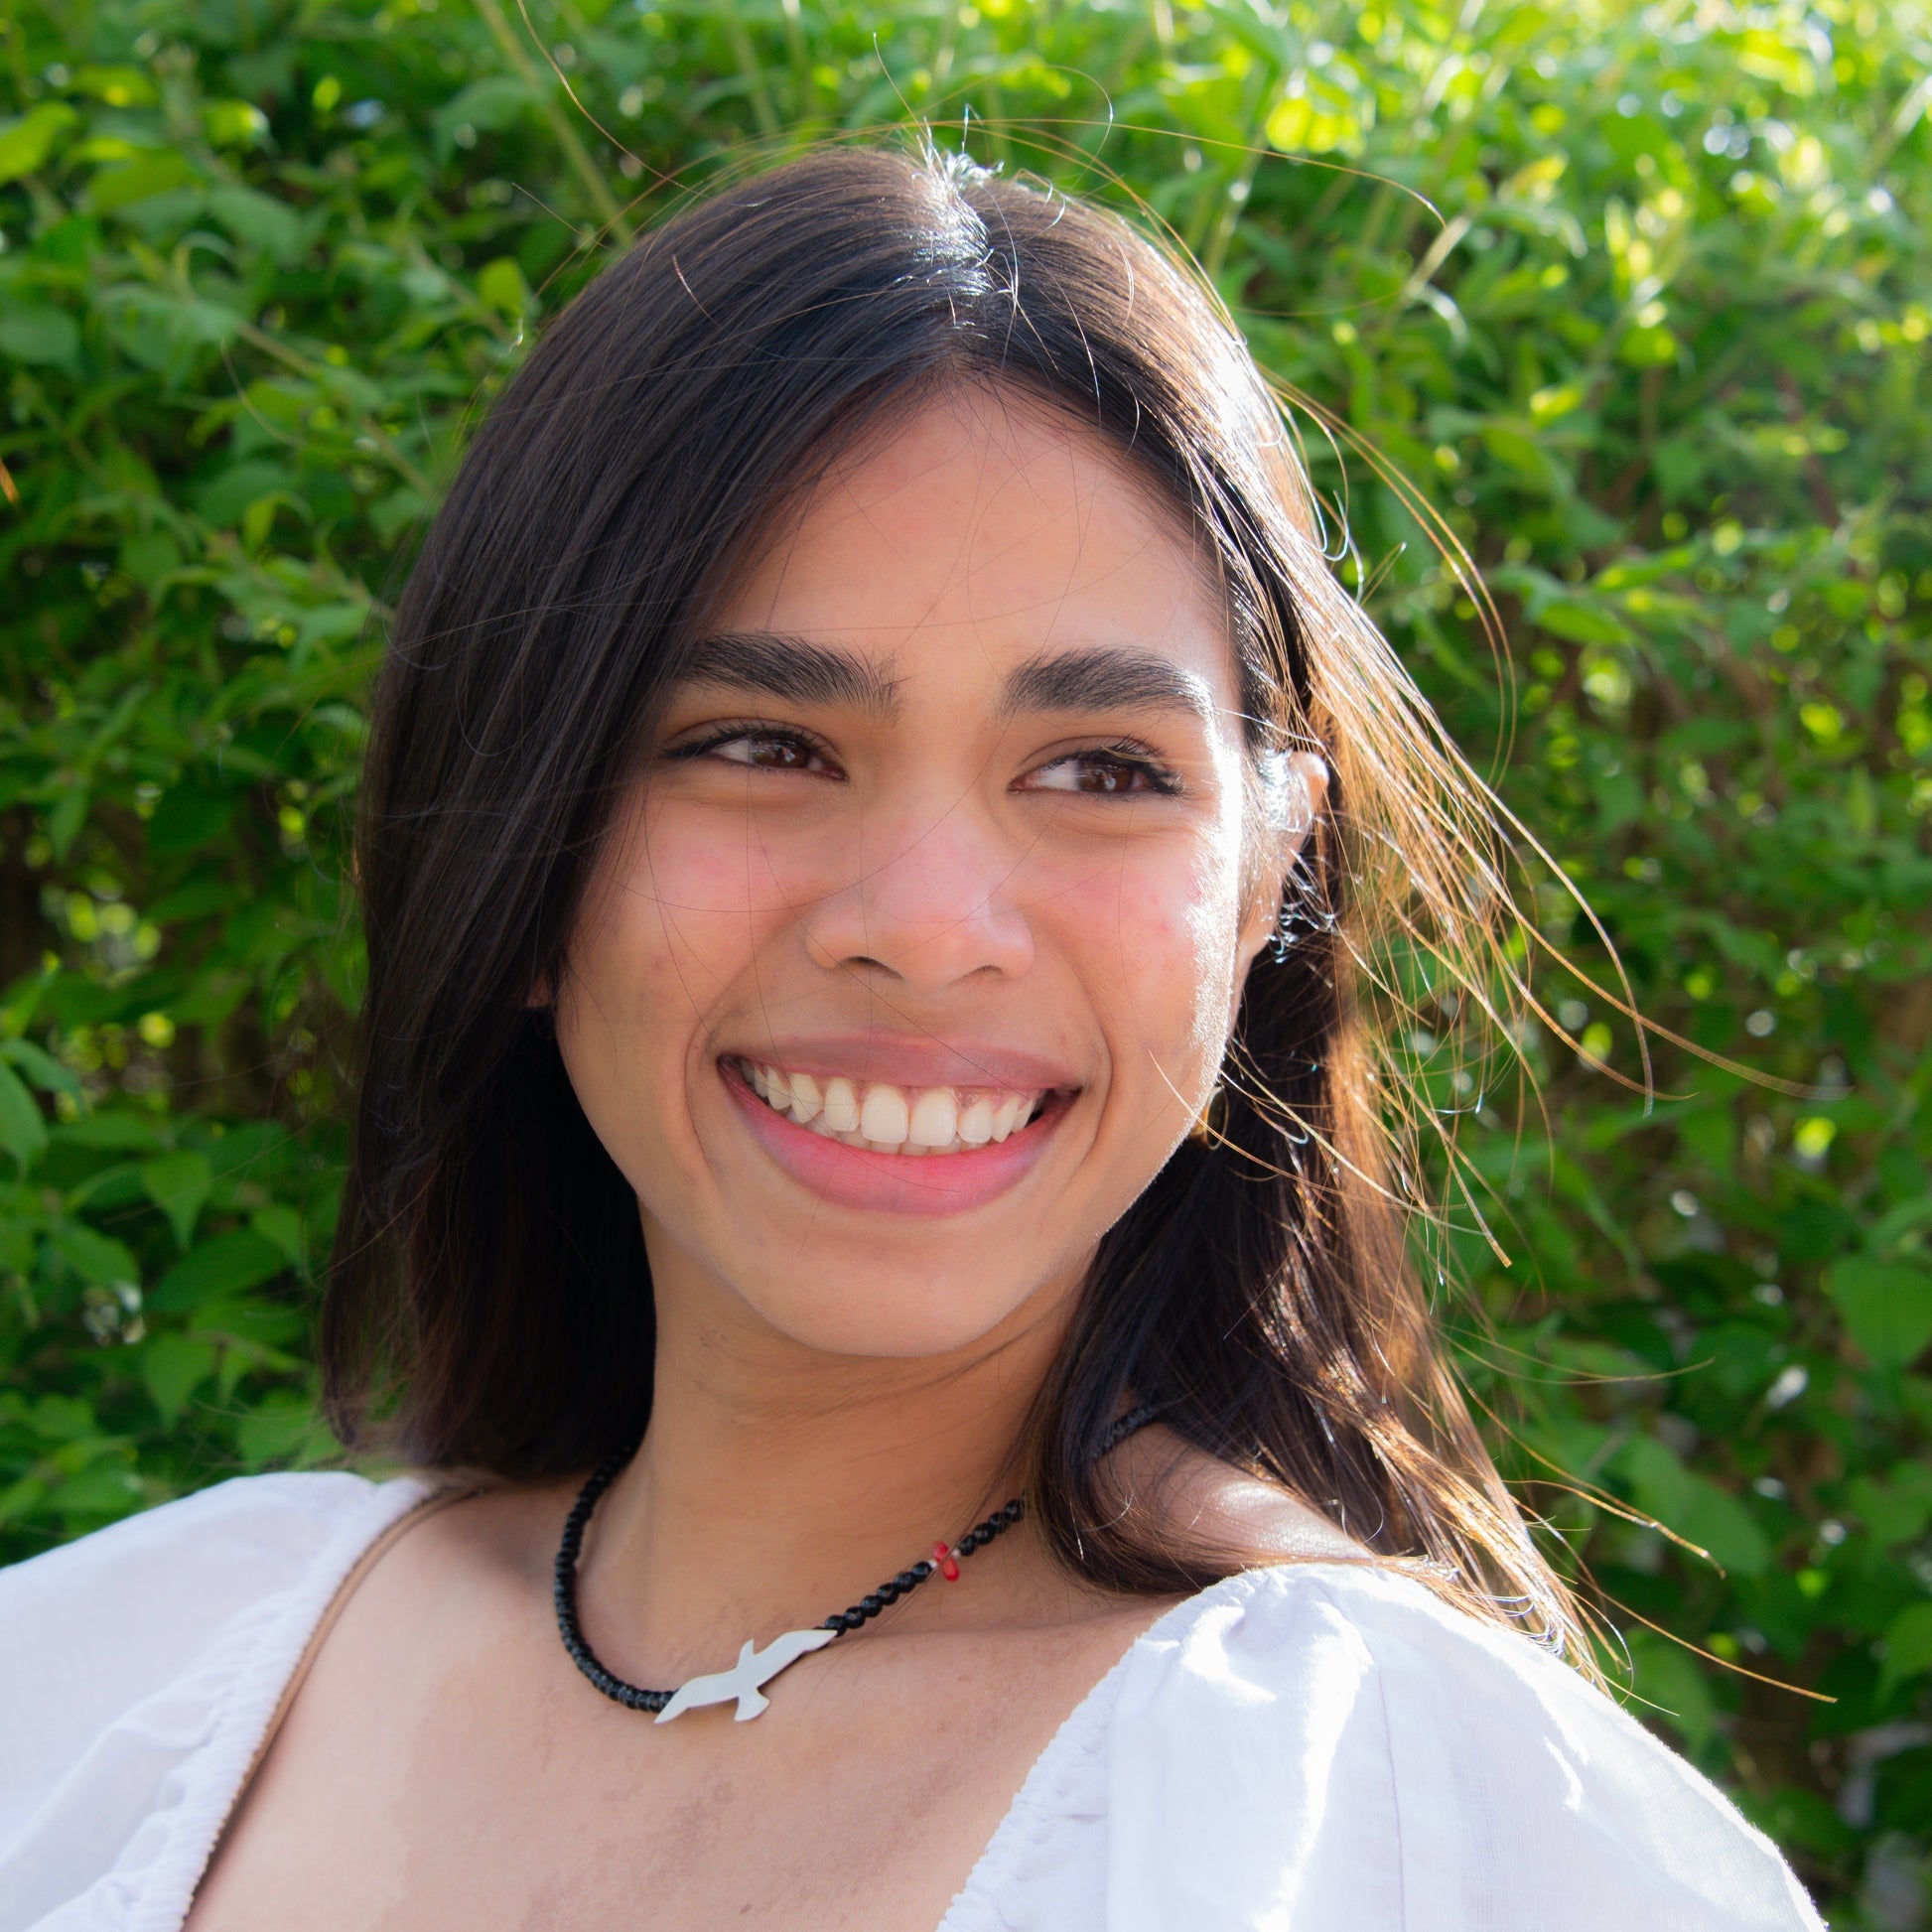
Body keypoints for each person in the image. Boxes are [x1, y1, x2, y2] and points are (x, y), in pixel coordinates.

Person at [1, 143, 1822, 1932]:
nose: (929, 926)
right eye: (761, 744)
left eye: (1100, 770)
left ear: (1269, 879)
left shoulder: (1393, 1827)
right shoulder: (118, 1691)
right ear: (518, 831)